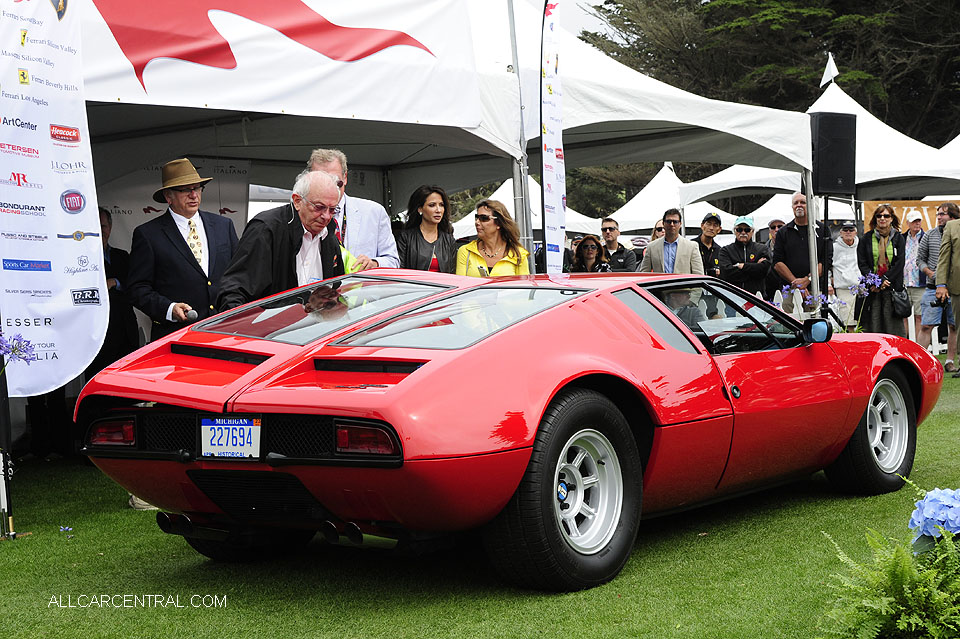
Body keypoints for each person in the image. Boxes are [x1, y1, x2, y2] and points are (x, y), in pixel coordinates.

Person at [217, 171, 367, 311]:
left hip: (314, 331)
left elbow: (336, 288)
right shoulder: (266, 230)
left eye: (332, 209)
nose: (326, 216)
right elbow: (234, 291)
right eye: (319, 207)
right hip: (270, 332)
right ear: (297, 201)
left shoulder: (329, 235)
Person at [127, 158, 239, 341]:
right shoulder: (148, 234)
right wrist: (169, 308)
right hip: (176, 338)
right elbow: (137, 289)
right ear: (168, 197)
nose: (194, 195)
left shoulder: (223, 225)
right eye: (185, 190)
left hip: (223, 334)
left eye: (197, 188)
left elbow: (238, 275)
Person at [307, 148, 399, 269]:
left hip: (360, 286)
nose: (329, 188)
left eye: (336, 182)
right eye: (321, 181)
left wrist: (374, 263)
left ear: (345, 178)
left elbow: (393, 261)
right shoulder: (300, 213)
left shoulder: (374, 212)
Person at [85, 207, 140, 379]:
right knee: (98, 380)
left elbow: (136, 286)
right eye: (96, 226)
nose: (100, 231)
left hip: (126, 329)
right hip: (97, 332)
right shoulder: (81, 258)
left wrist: (115, 282)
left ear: (110, 227)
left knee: (126, 381)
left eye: (103, 226)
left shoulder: (123, 256)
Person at [772, 193, 832, 314]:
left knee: (815, 323)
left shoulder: (822, 229)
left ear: (809, 205)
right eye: (796, 203)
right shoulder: (783, 232)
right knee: (789, 324)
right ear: (792, 207)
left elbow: (826, 261)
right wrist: (797, 284)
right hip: (789, 289)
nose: (799, 205)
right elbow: (777, 262)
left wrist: (808, 279)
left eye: (803, 202)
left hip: (815, 288)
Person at [919, 203, 959, 373]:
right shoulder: (930, 234)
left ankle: (950, 361)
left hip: (955, 286)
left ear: (953, 216)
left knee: (954, 326)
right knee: (926, 325)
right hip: (933, 286)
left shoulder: (956, 230)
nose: (939, 217)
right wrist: (929, 272)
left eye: (943, 214)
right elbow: (919, 259)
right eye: (938, 214)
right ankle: (920, 363)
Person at [857, 204, 905, 337]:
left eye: (886, 216)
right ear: (875, 219)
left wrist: (885, 280)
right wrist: (876, 282)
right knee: (873, 326)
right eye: (879, 216)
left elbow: (899, 263)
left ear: (891, 219)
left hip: (892, 288)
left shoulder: (898, 238)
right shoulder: (866, 238)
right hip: (872, 289)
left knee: (893, 329)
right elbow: (862, 263)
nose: (882, 218)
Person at [456, 200, 529, 277]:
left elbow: (524, 287)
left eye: (483, 218)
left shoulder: (518, 254)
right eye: (476, 217)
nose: (477, 222)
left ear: (499, 223)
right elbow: (460, 285)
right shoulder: (465, 251)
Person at [396, 185, 457, 273]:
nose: (438, 210)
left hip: (445, 286)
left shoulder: (449, 240)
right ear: (420, 209)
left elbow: (452, 275)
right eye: (432, 205)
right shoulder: (405, 237)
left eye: (441, 205)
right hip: (414, 286)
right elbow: (399, 272)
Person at [637, 208, 704, 274]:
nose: (672, 224)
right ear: (663, 223)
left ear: (680, 224)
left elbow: (698, 274)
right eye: (669, 222)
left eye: (675, 222)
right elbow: (644, 273)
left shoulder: (691, 246)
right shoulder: (652, 247)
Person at [718, 216, 770, 297]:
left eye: (747, 230)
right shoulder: (725, 250)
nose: (743, 232)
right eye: (739, 229)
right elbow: (726, 274)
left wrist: (742, 266)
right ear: (735, 231)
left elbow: (764, 270)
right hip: (733, 297)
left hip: (757, 298)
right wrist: (754, 268)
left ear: (752, 232)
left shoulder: (762, 249)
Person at [936, 203, 960, 377]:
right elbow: (944, 257)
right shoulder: (952, 226)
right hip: (957, 285)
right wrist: (941, 284)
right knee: (959, 325)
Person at [829, 220, 861, 330]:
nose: (848, 232)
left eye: (851, 230)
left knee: (862, 321)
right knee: (848, 322)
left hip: (860, 288)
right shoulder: (834, 247)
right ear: (840, 233)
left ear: (855, 232)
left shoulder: (860, 245)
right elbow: (828, 267)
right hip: (844, 289)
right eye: (845, 230)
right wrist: (829, 283)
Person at [902, 210, 926, 337]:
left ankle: (918, 349)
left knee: (920, 317)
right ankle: (904, 348)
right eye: (914, 221)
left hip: (920, 283)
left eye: (918, 221)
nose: (917, 223)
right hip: (904, 283)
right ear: (908, 223)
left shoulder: (926, 237)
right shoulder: (901, 238)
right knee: (902, 317)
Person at [763, 218, 785, 301]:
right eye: (773, 227)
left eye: (780, 226)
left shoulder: (793, 247)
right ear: (769, 231)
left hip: (789, 289)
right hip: (770, 293)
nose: (776, 229)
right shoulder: (763, 249)